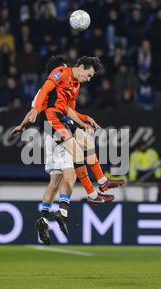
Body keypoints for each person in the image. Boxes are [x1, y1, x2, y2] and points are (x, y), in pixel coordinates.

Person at [11, 55, 123, 244]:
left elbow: (69, 111)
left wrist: (84, 119)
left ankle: (45, 216)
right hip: (51, 125)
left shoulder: (74, 86)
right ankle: (83, 199)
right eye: (88, 75)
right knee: (71, 171)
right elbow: (40, 100)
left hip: (58, 124)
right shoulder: (58, 76)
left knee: (58, 177)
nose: (89, 79)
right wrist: (28, 118)